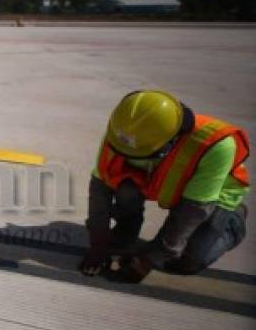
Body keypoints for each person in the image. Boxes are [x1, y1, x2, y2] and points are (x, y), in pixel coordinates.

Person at [80, 90, 249, 282]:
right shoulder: (123, 130)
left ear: (170, 143)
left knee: (188, 261)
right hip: (159, 179)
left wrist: (149, 260)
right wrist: (98, 244)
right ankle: (125, 234)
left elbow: (191, 211)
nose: (127, 157)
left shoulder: (216, 146)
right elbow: (100, 189)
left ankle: (233, 223)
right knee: (126, 189)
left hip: (210, 196)